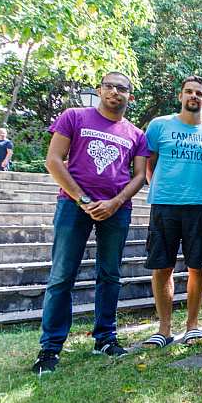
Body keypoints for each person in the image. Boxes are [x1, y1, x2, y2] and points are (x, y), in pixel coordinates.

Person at [32, 72, 149, 374]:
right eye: (108, 86)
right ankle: (50, 349)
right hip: (73, 206)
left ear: (130, 97)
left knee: (110, 275)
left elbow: (139, 176)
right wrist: (83, 200)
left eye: (122, 89)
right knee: (62, 275)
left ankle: (105, 339)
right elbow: (54, 160)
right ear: (99, 91)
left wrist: (115, 203)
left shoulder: (136, 134)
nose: (114, 92)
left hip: (117, 209)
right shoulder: (74, 116)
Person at [142, 76, 202, 348]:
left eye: (199, 93)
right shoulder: (159, 125)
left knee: (198, 266)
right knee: (163, 266)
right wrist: (165, 188)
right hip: (165, 204)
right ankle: (164, 329)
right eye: (189, 92)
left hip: (200, 206)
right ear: (181, 97)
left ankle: (192, 326)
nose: (193, 96)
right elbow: (149, 165)